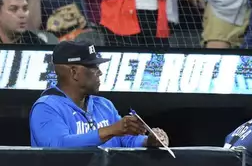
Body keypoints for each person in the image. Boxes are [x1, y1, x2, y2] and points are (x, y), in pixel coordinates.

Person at [30, 40, 169, 148]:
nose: (100, 72)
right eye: (92, 66)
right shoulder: (46, 107)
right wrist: (110, 130)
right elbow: (59, 145)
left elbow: (125, 139)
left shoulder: (104, 105)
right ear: (74, 72)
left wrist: (148, 141)